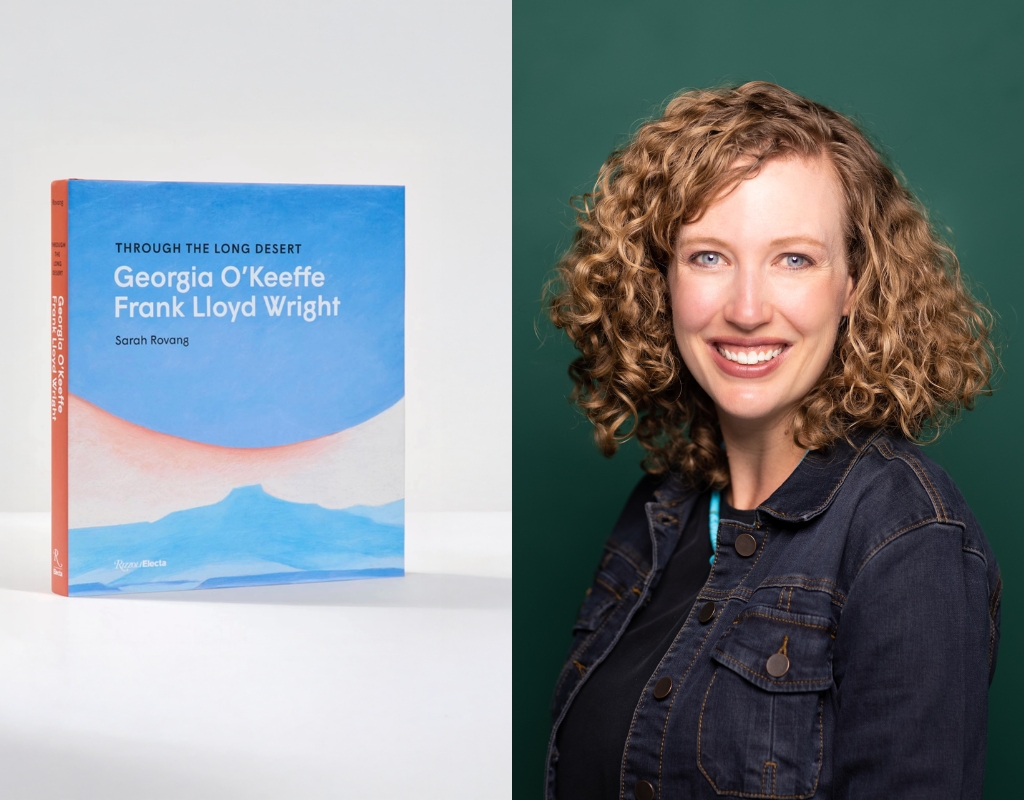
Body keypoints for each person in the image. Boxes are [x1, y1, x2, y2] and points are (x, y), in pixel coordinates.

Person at [545, 82, 1001, 800]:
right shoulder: (660, 509)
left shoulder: (908, 536)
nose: (748, 309)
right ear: (660, 281)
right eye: (708, 257)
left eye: (794, 259)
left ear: (854, 285)